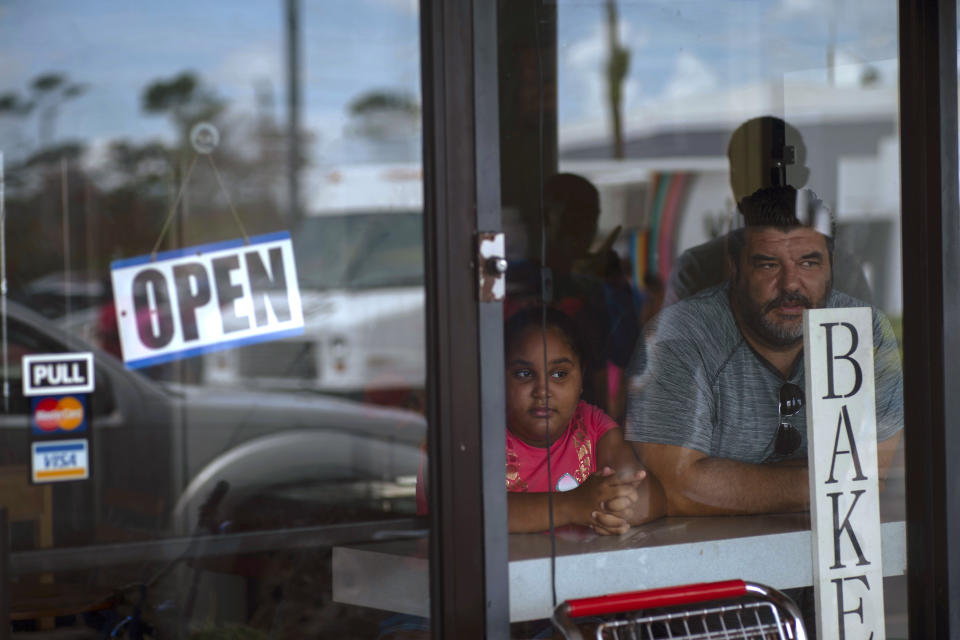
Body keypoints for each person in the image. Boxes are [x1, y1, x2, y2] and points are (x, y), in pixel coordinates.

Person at [625, 185, 902, 516]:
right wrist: (825, 481)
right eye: (769, 265)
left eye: (809, 263)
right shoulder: (680, 336)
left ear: (831, 265)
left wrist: (724, 478)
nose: (790, 284)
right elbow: (677, 489)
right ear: (736, 267)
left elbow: (877, 471)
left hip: (842, 555)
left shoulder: (862, 329)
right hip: (708, 557)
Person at [664, 116, 874, 307]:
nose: (763, 186)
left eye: (775, 170)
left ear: (800, 177)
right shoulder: (697, 268)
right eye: (749, 171)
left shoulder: (698, 267)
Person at [502, 306, 664, 533]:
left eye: (559, 374)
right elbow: (474, 512)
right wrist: (572, 505)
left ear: (581, 378)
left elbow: (650, 495)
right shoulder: (484, 436)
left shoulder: (592, 428)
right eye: (524, 374)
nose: (542, 390)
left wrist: (616, 507)